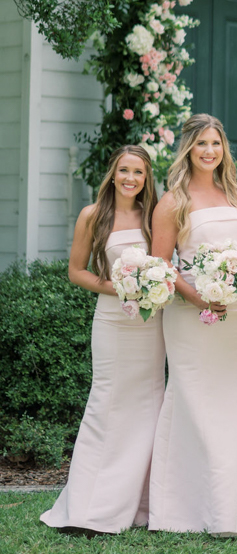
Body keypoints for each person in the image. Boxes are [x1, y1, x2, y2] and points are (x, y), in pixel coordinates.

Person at [41, 146, 162, 533]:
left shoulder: (152, 216)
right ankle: (88, 505)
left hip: (149, 325)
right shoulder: (93, 215)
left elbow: (165, 265)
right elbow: (77, 271)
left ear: (146, 179)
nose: (130, 178)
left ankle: (136, 506)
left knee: (146, 407)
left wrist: (149, 290)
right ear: (113, 174)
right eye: (124, 171)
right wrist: (119, 289)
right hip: (112, 321)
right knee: (106, 403)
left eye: (138, 173)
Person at [148, 114, 237, 534]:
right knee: (191, 399)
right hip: (190, 314)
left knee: (227, 402)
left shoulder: (234, 193)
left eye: (216, 143)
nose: (210, 151)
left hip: (233, 315)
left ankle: (226, 507)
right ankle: (179, 510)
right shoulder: (173, 200)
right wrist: (196, 296)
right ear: (188, 147)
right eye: (202, 143)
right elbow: (160, 266)